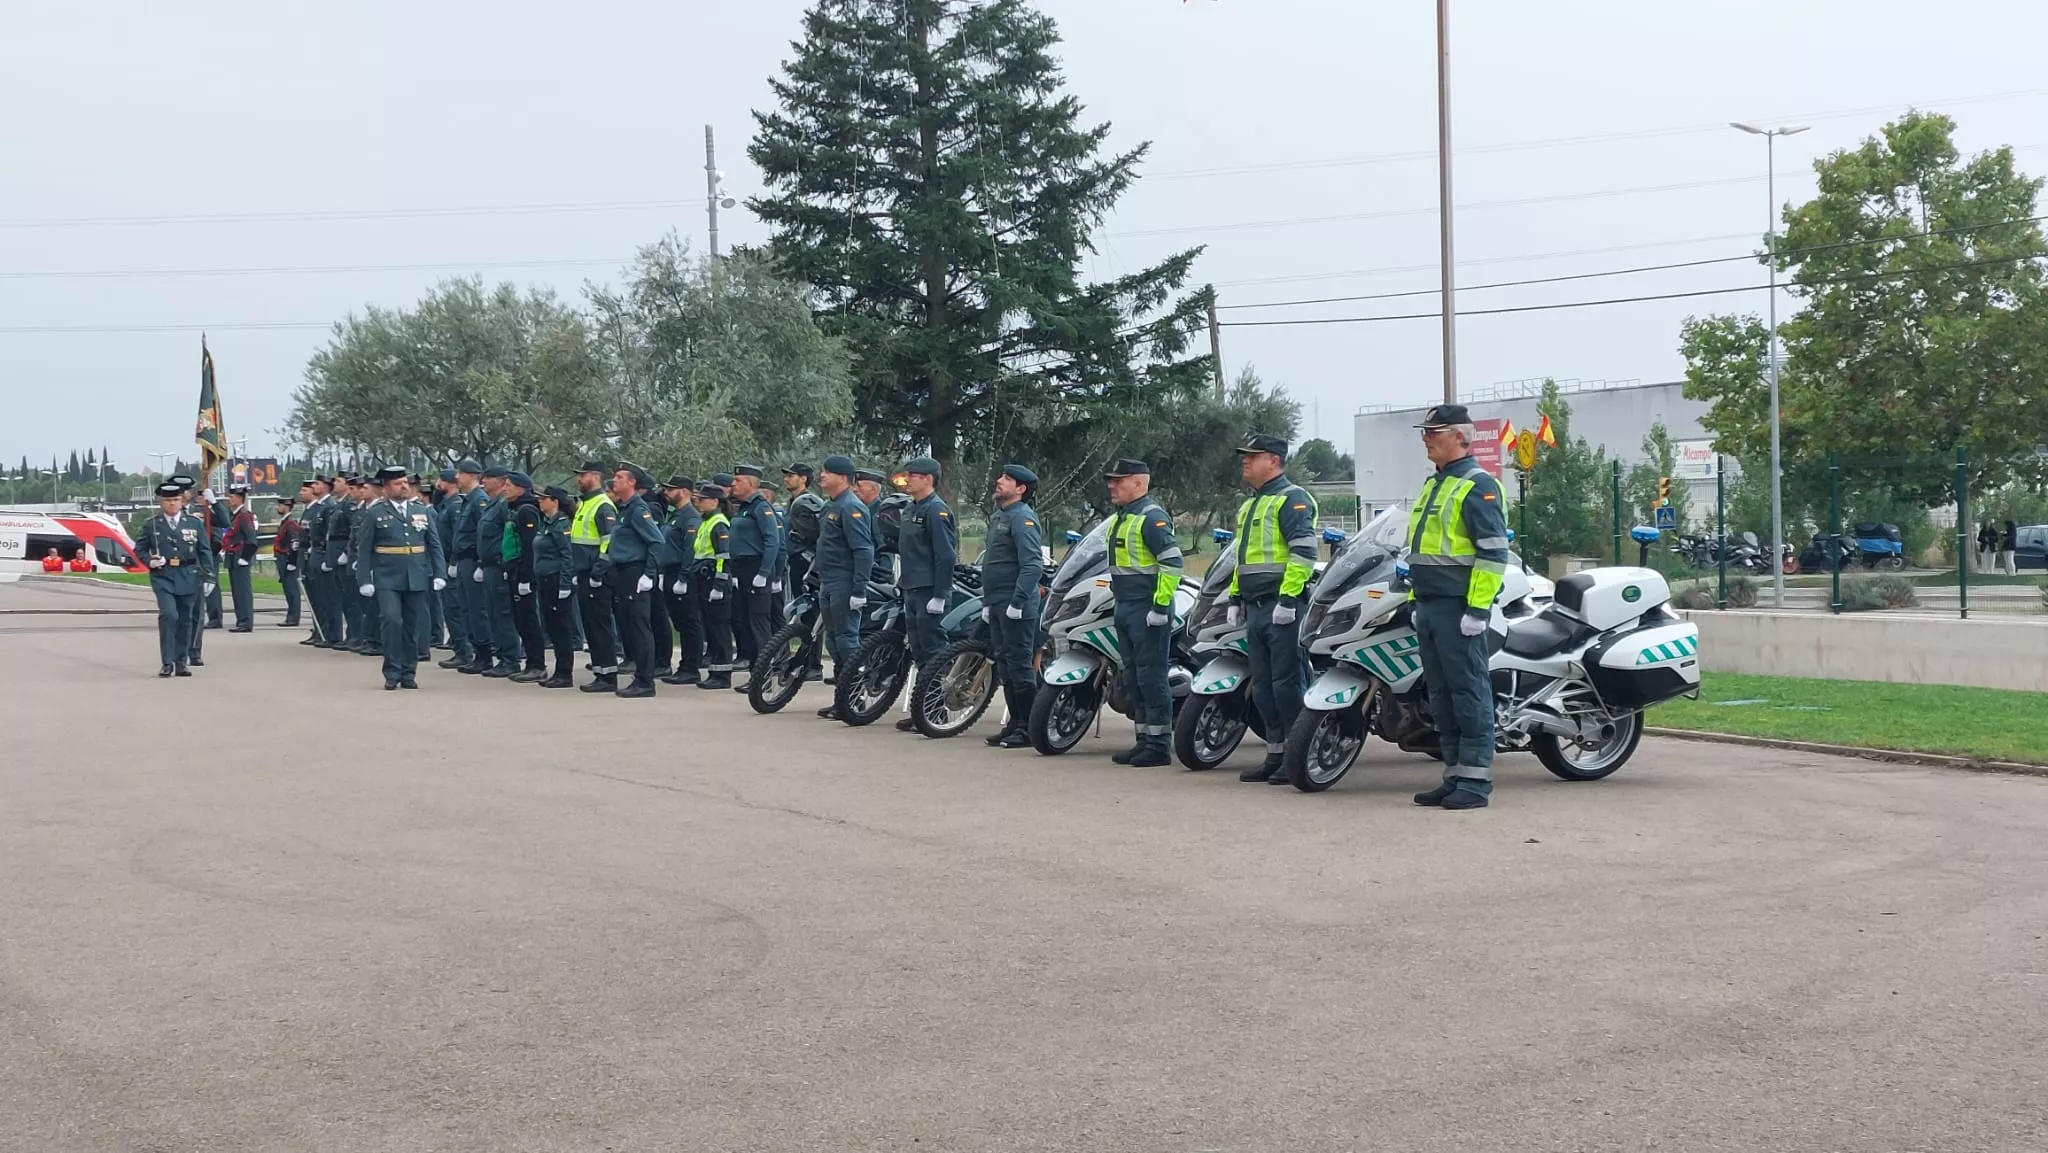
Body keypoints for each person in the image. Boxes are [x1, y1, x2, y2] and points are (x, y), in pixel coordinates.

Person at [1406, 404, 1510, 811]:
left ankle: (1476, 780)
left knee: (1468, 692)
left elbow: (1492, 554)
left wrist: (1477, 610)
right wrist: (1416, 599)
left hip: (1459, 609)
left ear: (1461, 437)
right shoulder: (1436, 484)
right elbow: (1421, 553)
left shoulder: (1477, 485)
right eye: (1425, 431)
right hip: (1432, 606)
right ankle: (1454, 774)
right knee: (1441, 695)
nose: (1427, 438)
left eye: (1436, 431)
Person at [1227, 433, 1321, 783]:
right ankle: (1275, 754)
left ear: (1274, 461)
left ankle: (1297, 756)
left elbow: (1304, 553)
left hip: (1282, 607)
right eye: (1245, 456)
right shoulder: (1251, 504)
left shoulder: (1292, 499)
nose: (1245, 461)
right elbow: (1242, 559)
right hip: (1255, 606)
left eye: (1253, 456)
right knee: (1263, 687)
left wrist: (1286, 600)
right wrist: (1236, 597)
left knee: (1286, 685)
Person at [1103, 459, 1183, 767]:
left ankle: (1159, 745)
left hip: (1147, 607)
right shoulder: (1122, 518)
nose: (1112, 485)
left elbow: (1172, 563)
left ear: (1138, 483)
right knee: (1133, 676)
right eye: (1111, 480)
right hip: (1125, 605)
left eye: (1119, 481)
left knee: (1151, 676)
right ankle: (1143, 740)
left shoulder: (1151, 517)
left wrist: (1161, 606)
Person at [357, 465, 448, 690]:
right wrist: (364, 580)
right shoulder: (375, 513)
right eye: (398, 483)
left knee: (412, 625)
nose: (404, 486)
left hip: (416, 574)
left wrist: (439, 572)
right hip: (387, 576)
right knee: (391, 620)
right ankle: (392, 670)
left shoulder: (421, 510)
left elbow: (433, 544)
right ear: (386, 489)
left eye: (405, 482)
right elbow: (364, 549)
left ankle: (409, 671)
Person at [979, 464, 1044, 749]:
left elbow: (1032, 565)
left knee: (1019, 665)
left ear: (1021, 489)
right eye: (1001, 477)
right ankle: (1015, 723)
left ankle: (1028, 727)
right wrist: (986, 601)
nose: (999, 481)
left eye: (1007, 479)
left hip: (1015, 604)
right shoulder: (999, 516)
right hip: (997, 602)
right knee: (1004, 664)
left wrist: (1018, 601)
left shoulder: (1022, 518)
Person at [893, 456, 957, 731]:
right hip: (912, 586)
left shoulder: (936, 511)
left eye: (913, 476)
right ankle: (923, 708)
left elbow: (945, 556)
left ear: (928, 479)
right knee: (919, 651)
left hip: (929, 589)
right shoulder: (910, 509)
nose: (908, 481)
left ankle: (936, 709)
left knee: (933, 650)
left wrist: (941, 593)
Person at [812, 455, 875, 718]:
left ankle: (855, 697)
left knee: (848, 640)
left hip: (844, 581)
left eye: (828, 472)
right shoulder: (830, 506)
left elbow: (863, 550)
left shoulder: (851, 507)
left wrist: (859, 589)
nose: (822, 475)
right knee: (835, 642)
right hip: (828, 580)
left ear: (843, 478)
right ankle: (842, 699)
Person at [133, 481, 213, 677]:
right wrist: (149, 561)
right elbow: (140, 549)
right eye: (168, 500)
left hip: (188, 575)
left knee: (186, 619)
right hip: (164, 576)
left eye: (176, 500)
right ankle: (167, 662)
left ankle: (181, 662)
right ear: (161, 502)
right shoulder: (152, 524)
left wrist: (209, 576)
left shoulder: (194, 523)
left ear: (182, 501)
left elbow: (204, 550)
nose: (172, 504)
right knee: (169, 615)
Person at [602, 464, 666, 698]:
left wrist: (649, 574)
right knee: (630, 627)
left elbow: (656, 542)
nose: (614, 480)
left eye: (619, 477)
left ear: (632, 482)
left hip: (635, 572)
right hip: (621, 572)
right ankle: (639, 676)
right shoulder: (624, 508)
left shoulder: (638, 509)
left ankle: (645, 681)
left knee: (640, 627)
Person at [727, 464, 785, 672]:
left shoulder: (760, 507)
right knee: (745, 621)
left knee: (758, 622)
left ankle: (764, 674)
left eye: (738, 480)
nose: (733, 484)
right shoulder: (744, 507)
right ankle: (754, 672)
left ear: (751, 484)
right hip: (742, 568)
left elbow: (773, 541)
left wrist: (764, 572)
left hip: (755, 567)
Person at [570, 460, 621, 691]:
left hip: (596, 575)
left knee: (601, 625)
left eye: (583, 475)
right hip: (583, 572)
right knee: (591, 625)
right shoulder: (585, 503)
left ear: (595, 476)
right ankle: (600, 671)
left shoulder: (603, 505)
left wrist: (598, 572)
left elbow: (609, 543)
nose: (579, 479)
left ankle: (608, 675)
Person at [474, 466, 524, 677]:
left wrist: (505, 563)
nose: (483, 481)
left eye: (488, 478)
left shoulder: (504, 506)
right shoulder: (492, 504)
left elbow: (511, 536)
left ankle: (511, 659)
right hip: (488, 566)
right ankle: (503, 657)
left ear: (501, 481)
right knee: (494, 613)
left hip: (499, 565)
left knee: (503, 613)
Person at [500, 472, 550, 683]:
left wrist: (526, 578)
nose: (505, 489)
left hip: (523, 572)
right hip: (513, 569)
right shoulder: (515, 509)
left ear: (521, 488)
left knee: (528, 619)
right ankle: (530, 661)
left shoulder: (527, 510)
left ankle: (537, 664)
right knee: (519, 618)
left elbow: (530, 548)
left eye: (509, 485)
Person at [529, 486, 580, 688]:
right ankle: (559, 671)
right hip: (545, 580)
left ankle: (564, 672)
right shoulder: (547, 523)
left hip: (556, 580)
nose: (539, 501)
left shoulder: (561, 524)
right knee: (551, 626)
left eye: (543, 499)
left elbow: (567, 555)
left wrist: (565, 584)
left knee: (561, 628)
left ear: (555, 501)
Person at [657, 475, 704, 686]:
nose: (666, 492)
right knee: (680, 622)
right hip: (669, 572)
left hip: (681, 573)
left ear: (684, 491)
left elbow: (690, 549)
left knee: (689, 622)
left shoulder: (690, 517)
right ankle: (685, 665)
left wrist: (684, 577)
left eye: (671, 489)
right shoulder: (674, 515)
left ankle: (690, 667)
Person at [783, 463, 828, 682]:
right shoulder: (792, 503)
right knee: (802, 613)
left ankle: (813, 664)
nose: (786, 479)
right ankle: (802, 660)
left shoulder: (812, 503)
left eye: (791, 476)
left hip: (807, 561)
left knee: (812, 612)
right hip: (795, 560)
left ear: (803, 479)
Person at [690, 482, 737, 690]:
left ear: (715, 501)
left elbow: (723, 556)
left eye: (701, 499)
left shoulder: (718, 522)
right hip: (704, 578)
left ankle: (722, 674)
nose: (697, 503)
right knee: (711, 627)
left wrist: (719, 583)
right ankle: (715, 671)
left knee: (719, 629)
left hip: (714, 579)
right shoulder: (706, 521)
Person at [437, 465, 480, 670]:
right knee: (454, 607)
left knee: (458, 607)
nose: (438, 484)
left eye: (458, 474)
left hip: (458, 560)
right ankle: (462, 649)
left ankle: (465, 650)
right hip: (448, 560)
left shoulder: (457, 505)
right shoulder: (453, 503)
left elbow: (460, 535)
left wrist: (454, 560)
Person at [299, 477, 334, 646]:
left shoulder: (328, 507)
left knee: (324, 598)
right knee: (315, 597)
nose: (314, 486)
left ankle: (326, 631)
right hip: (312, 554)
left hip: (321, 554)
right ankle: (318, 630)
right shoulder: (318, 508)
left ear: (326, 487)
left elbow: (328, 534)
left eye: (317, 484)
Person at [221, 484, 260, 631]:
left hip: (240, 557)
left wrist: (245, 557)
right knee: (236, 592)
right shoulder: (235, 515)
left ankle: (245, 621)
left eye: (231, 497)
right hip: (233, 557)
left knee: (243, 592)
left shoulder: (244, 515)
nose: (229, 500)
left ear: (240, 499)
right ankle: (241, 619)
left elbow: (252, 540)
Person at [273, 492, 304, 628]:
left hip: (287, 559)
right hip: (283, 559)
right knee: (288, 589)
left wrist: (292, 561)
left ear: (285, 506)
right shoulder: (285, 522)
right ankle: (291, 615)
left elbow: (295, 543)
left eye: (279, 505)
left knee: (292, 590)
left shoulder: (290, 523)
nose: (277, 508)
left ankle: (293, 617)